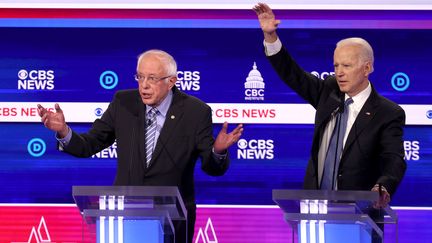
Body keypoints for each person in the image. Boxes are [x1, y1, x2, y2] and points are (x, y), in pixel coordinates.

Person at [37, 49, 243, 243]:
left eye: (152, 79)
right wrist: (64, 132)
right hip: (125, 215)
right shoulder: (124, 103)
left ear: (171, 81)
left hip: (174, 220)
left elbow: (212, 167)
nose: (144, 85)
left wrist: (218, 151)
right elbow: (90, 144)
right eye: (140, 77)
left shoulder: (195, 112)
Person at [253, 1, 406, 220]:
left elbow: (394, 158)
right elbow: (292, 75)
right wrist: (271, 37)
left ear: (367, 68)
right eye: (336, 66)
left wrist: (383, 187)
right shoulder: (328, 92)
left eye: (347, 66)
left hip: (360, 217)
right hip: (315, 212)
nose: (339, 72)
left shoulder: (387, 112)